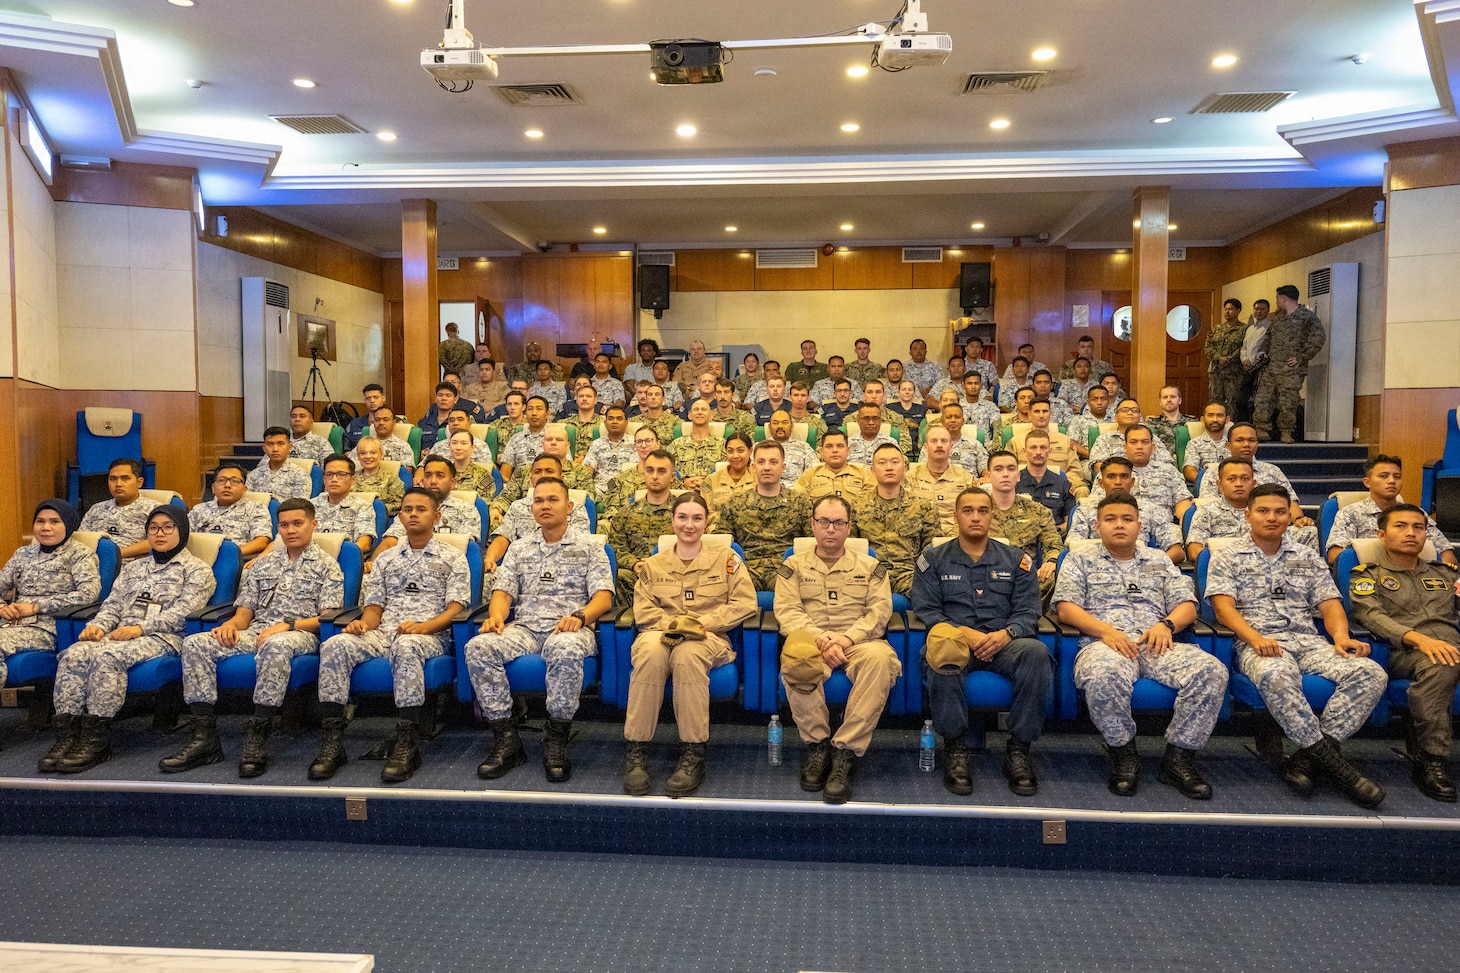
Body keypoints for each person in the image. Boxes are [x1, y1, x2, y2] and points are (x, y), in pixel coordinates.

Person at [1207, 484, 1386, 808]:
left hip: (1309, 641)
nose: (1272, 517)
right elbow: (1223, 609)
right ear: (1248, 515)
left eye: (1280, 511)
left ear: (1290, 515)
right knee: (1277, 675)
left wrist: (1341, 637)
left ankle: (1308, 757)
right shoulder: (1227, 556)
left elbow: (1330, 604)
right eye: (1263, 511)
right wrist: (1255, 638)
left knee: (1370, 673)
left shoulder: (1306, 556)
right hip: (1259, 642)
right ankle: (1339, 768)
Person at [1054, 492, 1227, 799]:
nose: (1119, 525)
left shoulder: (1158, 560)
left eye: (1127, 519)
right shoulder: (1079, 559)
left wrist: (1167, 625)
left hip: (1156, 642)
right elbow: (1066, 608)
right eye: (1110, 519)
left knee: (1211, 670)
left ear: (1139, 525)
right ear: (1097, 525)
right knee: (1104, 675)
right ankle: (1123, 753)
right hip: (1104, 644)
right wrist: (1106, 631)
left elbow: (1187, 605)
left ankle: (1179, 757)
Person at [165, 498, 344, 777]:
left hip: (300, 635)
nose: (290, 530)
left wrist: (288, 625)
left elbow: (327, 619)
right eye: (284, 525)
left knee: (276, 644)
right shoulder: (263, 565)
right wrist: (231, 626)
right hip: (258, 631)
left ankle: (257, 737)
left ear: (313, 524)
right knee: (196, 642)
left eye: (298, 523)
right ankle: (204, 738)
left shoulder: (327, 566)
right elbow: (244, 613)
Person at [309, 488, 470, 783]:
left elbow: (456, 609)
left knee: (407, 646)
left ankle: (407, 742)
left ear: (437, 516)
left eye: (421, 509)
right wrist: (362, 625)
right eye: (407, 509)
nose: (412, 514)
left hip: (430, 636)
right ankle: (332, 742)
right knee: (336, 644)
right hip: (384, 633)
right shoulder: (386, 559)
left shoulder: (453, 557)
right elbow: (374, 610)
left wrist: (425, 626)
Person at [40, 506, 215, 774]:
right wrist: (97, 626)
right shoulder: (134, 568)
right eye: (153, 528)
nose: (159, 533)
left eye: (168, 527)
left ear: (182, 531)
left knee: (108, 656)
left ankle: (96, 740)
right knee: (74, 652)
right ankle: (67, 736)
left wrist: (140, 628)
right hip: (120, 634)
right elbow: (112, 605)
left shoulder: (197, 570)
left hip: (165, 638)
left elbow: (184, 613)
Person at [467, 478, 614, 783]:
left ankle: (557, 737)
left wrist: (581, 616)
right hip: (525, 628)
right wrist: (496, 618)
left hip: (569, 627)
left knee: (566, 648)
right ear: (531, 507)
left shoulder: (590, 547)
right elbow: (503, 594)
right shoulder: (519, 549)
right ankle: (507, 739)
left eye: (552, 500)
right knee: (478, 647)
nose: (545, 506)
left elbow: (603, 596)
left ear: (569, 506)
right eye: (539, 501)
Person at [911, 487, 1052, 797]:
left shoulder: (1017, 560)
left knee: (1037, 653)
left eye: (983, 511)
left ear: (992, 516)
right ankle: (956, 748)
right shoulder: (933, 559)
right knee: (942, 650)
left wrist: (1006, 635)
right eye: (968, 510)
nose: (976, 517)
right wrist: (967, 635)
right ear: (955, 516)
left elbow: (1030, 612)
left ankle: (1018, 750)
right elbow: (928, 611)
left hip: (1006, 643)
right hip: (957, 641)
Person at [622, 492, 756, 797]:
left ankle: (693, 753)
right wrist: (676, 626)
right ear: (672, 521)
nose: (689, 525)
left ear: (707, 522)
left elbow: (745, 603)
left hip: (709, 636)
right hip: (659, 633)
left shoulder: (726, 559)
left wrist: (701, 626)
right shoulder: (654, 565)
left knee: (688, 653)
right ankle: (637, 750)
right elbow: (644, 611)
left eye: (697, 518)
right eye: (682, 517)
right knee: (651, 653)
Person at [774, 496, 899, 804]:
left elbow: (879, 612)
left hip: (859, 642)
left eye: (839, 523)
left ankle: (844, 751)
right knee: (798, 658)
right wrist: (820, 639)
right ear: (813, 525)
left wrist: (844, 639)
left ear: (849, 527)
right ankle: (817, 746)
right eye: (824, 522)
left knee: (882, 661)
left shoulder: (871, 567)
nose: (831, 529)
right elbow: (788, 611)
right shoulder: (793, 566)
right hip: (811, 640)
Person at [1348, 503, 1460, 801]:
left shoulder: (1446, 574)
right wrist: (1419, 640)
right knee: (1441, 663)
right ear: (1381, 534)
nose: (1411, 533)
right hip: (1401, 651)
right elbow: (1371, 617)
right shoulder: (1365, 573)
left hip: (1452, 645)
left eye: (1418, 527)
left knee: (1447, 657)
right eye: (1401, 526)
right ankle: (1431, 759)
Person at [0, 501, 101, 696]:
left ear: (68, 525)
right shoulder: (23, 553)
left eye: (55, 521)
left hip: (48, 626)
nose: (46, 527)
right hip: (9, 622)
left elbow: (88, 594)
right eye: (40, 521)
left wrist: (36, 606)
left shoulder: (80, 554)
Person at [714, 441, 813, 590]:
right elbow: (723, 544)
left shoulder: (800, 502)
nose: (767, 467)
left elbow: (810, 543)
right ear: (753, 467)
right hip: (746, 566)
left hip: (786, 566)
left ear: (783, 467)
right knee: (729, 588)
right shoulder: (735, 502)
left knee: (790, 586)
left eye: (773, 462)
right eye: (761, 462)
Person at [1326, 454, 1456, 567]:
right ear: (1367, 482)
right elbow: (1335, 556)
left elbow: (1447, 554)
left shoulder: (1416, 514)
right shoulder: (1350, 513)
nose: (1392, 481)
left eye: (1397, 477)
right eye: (1383, 476)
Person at [484, 455, 594, 575]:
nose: (543, 475)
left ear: (561, 478)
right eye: (538, 471)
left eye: (549, 471)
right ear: (531, 479)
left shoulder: (574, 507)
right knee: (490, 578)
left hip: (562, 569)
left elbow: (580, 548)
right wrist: (490, 559)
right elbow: (503, 537)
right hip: (522, 566)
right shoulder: (518, 506)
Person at [852, 443, 940, 594]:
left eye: (895, 462)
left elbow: (933, 549)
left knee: (933, 591)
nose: (889, 467)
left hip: (908, 574)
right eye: (882, 463)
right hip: (867, 574)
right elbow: (850, 547)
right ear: (872, 470)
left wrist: (922, 573)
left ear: (904, 468)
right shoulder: (856, 505)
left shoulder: (923, 506)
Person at [1186, 457, 1309, 563]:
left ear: (1254, 483)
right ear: (1219, 485)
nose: (1239, 484)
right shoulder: (1206, 511)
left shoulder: (1267, 512)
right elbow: (1194, 551)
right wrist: (1236, 563)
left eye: (1245, 479)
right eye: (1231, 479)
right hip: (1223, 570)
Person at [1197, 423, 1314, 533]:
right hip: (1228, 528)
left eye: (1251, 440)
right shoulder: (1214, 472)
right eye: (1240, 440)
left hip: (1270, 526)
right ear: (1228, 445)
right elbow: (1207, 505)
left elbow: (1290, 501)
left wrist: (1299, 519)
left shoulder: (1272, 471)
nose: (1246, 444)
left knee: (1308, 531)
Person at [1068, 457, 1183, 561]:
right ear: (1101, 483)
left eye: (1124, 476)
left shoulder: (1151, 510)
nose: (1118, 482)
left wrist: (1150, 565)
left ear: (1132, 482)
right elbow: (1074, 547)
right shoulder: (1085, 511)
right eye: (1111, 477)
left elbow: (1177, 551)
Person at [371, 456, 480, 564]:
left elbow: (466, 547)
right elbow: (391, 540)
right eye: (428, 476)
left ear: (452, 482)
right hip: (405, 566)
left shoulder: (467, 509)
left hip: (446, 567)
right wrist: (373, 564)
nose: (433, 481)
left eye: (440, 476)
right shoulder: (411, 508)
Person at [1253, 284, 1326, 443]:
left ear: (1284, 298)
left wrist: (1302, 357)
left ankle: (1286, 432)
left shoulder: (1307, 317)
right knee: (1263, 398)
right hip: (1271, 367)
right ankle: (1261, 429)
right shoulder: (1278, 317)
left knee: (1288, 402)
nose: (1276, 302)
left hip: (1291, 370)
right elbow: (1269, 337)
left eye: (1277, 298)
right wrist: (1262, 350)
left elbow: (1318, 338)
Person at [985, 450, 1064, 597]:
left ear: (1018, 476)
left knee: (1055, 577)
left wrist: (1051, 562)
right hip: (985, 576)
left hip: (1025, 578)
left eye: (1011, 469)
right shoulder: (977, 510)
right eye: (998, 469)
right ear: (988, 477)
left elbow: (1054, 545)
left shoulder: (1038, 511)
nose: (1005, 474)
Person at [608, 449, 678, 604]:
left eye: (661, 471)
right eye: (650, 470)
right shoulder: (626, 513)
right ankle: (626, 624)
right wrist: (634, 564)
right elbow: (616, 547)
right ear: (643, 474)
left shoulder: (683, 514)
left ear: (672, 477)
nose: (654, 476)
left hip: (673, 574)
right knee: (618, 576)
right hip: (636, 575)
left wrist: (657, 564)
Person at [78, 458, 160, 559]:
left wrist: (113, 556)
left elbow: (158, 541)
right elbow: (80, 540)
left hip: (132, 566)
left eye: (125, 478)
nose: (118, 484)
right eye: (113, 479)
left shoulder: (155, 510)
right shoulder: (96, 508)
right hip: (90, 564)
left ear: (139, 482)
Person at [189, 464, 273, 559]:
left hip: (238, 560)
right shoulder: (199, 509)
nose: (227, 485)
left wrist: (230, 555)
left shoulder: (256, 508)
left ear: (244, 489)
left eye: (234, 481)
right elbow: (182, 537)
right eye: (221, 481)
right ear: (213, 488)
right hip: (201, 560)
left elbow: (262, 541)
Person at [1009, 399, 1087, 498]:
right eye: (1037, 411)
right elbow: (1009, 468)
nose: (1041, 415)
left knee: (1082, 490)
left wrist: (1060, 483)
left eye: (1045, 411)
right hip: (1025, 485)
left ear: (1051, 413)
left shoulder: (1065, 441)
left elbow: (1075, 471)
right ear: (1029, 414)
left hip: (1060, 485)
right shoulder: (1016, 441)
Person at [907, 425, 976, 535]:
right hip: (920, 534)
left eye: (944, 441)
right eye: (934, 441)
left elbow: (973, 512)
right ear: (925, 447)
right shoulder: (910, 477)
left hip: (956, 536)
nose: (939, 445)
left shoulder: (965, 478)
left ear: (951, 446)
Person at [311, 454, 378, 555]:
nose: (334, 479)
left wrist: (336, 554)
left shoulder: (363, 506)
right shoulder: (310, 506)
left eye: (341, 474)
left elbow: (364, 543)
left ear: (353, 479)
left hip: (344, 559)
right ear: (324, 479)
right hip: (311, 558)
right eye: (329, 474)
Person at [1016, 428, 1077, 531]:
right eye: (1033, 447)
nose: (1038, 452)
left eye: (1043, 447)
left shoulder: (1062, 483)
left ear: (1050, 451)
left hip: (1056, 539)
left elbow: (1070, 523)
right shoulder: (1013, 482)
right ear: (1024, 451)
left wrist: (1051, 532)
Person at [794, 429, 874, 505]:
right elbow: (798, 502)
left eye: (840, 446)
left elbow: (871, 503)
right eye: (829, 446)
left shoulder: (863, 473)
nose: (835, 450)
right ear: (821, 451)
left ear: (848, 450)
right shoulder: (810, 474)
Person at [669, 399, 725, 491]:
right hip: (683, 493)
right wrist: (684, 482)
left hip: (712, 492)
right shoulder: (676, 444)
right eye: (696, 409)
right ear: (689, 415)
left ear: (711, 416)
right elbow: (668, 470)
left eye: (703, 409)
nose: (699, 412)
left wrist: (706, 483)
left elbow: (726, 472)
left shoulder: (722, 444)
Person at [245, 426, 311, 501]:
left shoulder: (300, 475)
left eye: (280, 444)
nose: (275, 449)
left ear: (289, 447)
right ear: (264, 448)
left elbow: (300, 507)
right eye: (270, 444)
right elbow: (248, 503)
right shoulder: (253, 476)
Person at [582, 404, 636, 495]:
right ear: (605, 423)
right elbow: (588, 469)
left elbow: (633, 472)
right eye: (610, 418)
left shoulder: (635, 443)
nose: (614, 422)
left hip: (624, 488)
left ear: (626, 423)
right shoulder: (597, 443)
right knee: (585, 497)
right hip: (598, 488)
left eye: (619, 419)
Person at [1206, 300, 1248, 415]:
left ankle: (1231, 428)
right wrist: (1218, 357)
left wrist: (1229, 359)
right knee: (1215, 402)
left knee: (1232, 403)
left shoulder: (1244, 329)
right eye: (1226, 309)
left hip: (1233, 373)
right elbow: (1208, 347)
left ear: (1238, 311)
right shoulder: (1216, 329)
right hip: (1216, 371)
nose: (1227, 312)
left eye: (1231, 309)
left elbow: (1244, 348)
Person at [499, 396, 552, 481]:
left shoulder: (555, 438)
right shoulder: (516, 439)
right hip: (518, 486)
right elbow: (505, 472)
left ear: (547, 414)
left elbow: (564, 467)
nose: (534, 413)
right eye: (530, 409)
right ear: (525, 413)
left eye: (539, 409)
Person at [351, 436, 405, 518]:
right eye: (363, 453)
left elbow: (399, 504)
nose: (368, 456)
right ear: (358, 456)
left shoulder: (391, 479)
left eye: (373, 452)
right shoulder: (350, 479)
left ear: (381, 455)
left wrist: (376, 509)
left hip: (380, 519)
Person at [1237, 299, 1272, 423]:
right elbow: (1244, 347)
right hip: (1248, 369)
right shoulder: (1250, 329)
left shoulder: (1270, 328)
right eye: (1256, 309)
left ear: (1268, 311)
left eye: (1262, 309)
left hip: (1262, 369)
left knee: (1258, 400)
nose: (1259, 312)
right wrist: (1245, 359)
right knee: (1241, 400)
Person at [764, 410, 818, 488]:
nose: (780, 426)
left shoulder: (804, 447)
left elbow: (814, 472)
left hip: (796, 492)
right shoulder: (759, 447)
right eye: (775, 423)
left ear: (792, 426)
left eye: (784, 422)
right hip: (765, 490)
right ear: (769, 426)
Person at [1182, 401, 1232, 485]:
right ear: (1202, 419)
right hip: (1206, 486)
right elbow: (1189, 470)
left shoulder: (1235, 442)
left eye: (1219, 415)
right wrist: (1207, 481)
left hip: (1233, 485)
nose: (1215, 419)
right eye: (1210, 415)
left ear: (1227, 419)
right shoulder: (1194, 444)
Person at [352, 406, 416, 470]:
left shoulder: (403, 446)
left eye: (386, 420)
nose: (381, 423)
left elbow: (407, 472)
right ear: (373, 423)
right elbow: (349, 466)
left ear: (393, 423)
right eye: (377, 420)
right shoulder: (363, 444)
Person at [427, 409, 494, 467]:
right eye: (452, 420)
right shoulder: (438, 446)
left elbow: (486, 470)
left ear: (469, 424)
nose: (455, 423)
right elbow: (424, 465)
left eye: (460, 420)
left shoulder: (481, 445)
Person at [1145, 386, 1195, 458]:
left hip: (1188, 462)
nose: (1169, 400)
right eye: (1165, 397)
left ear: (1180, 400)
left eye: (1173, 397)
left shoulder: (1192, 422)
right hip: (1162, 462)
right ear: (1160, 402)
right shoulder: (1152, 422)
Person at [445, 430, 494, 496]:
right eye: (454, 443)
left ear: (472, 448)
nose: (458, 448)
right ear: (449, 446)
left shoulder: (482, 475)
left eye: (463, 443)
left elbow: (485, 503)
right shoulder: (443, 473)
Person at [343, 384, 387, 450]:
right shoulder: (354, 424)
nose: (372, 401)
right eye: (368, 398)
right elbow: (346, 450)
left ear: (383, 398)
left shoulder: (395, 422)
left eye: (375, 397)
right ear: (364, 401)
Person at [903, 338, 946, 405]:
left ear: (925, 352)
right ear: (910, 353)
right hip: (910, 403)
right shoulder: (903, 368)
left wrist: (931, 389)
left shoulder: (934, 366)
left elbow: (942, 383)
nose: (919, 351)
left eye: (921, 348)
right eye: (915, 349)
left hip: (932, 403)